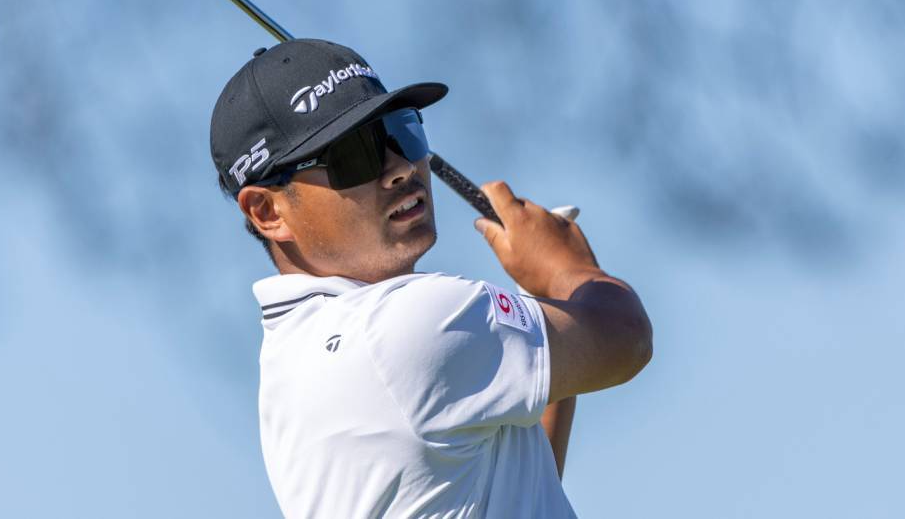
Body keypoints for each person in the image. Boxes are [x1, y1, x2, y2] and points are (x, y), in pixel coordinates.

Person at [210, 38, 652, 518]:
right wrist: (568, 269)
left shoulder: (294, 362)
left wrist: (536, 290)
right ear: (267, 211)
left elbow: (510, 492)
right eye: (354, 154)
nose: (400, 169)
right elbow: (625, 338)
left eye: (401, 132)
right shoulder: (404, 324)